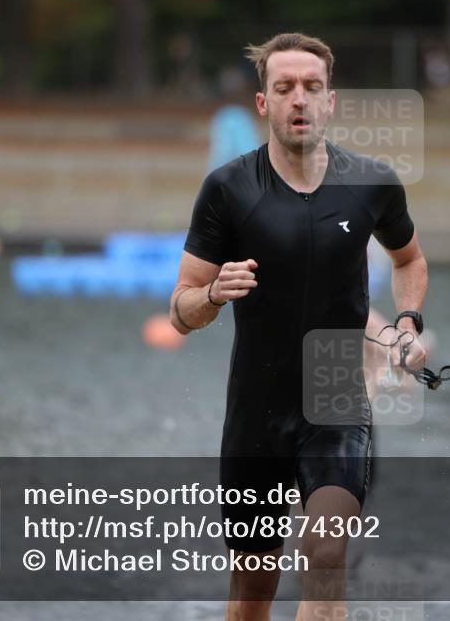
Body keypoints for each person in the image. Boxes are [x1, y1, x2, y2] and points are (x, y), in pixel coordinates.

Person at [169, 32, 429, 621]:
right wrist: (212, 293)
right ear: (264, 103)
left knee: (326, 553)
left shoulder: (371, 183)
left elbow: (409, 258)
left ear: (330, 101)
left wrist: (409, 320)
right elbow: (179, 312)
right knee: (254, 588)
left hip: (335, 393)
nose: (299, 100)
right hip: (256, 406)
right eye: (284, 87)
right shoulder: (229, 189)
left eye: (312, 87)